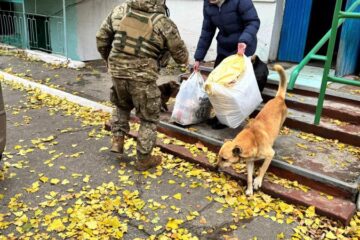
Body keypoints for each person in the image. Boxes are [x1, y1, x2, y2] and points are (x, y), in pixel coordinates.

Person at [96, 0, 188, 171]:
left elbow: (101, 38)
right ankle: (144, 159)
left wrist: (109, 59)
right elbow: (180, 55)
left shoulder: (120, 10)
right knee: (148, 117)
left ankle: (118, 141)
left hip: (117, 71)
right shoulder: (163, 22)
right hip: (143, 76)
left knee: (121, 105)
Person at [193, 0, 260, 129]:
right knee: (217, 82)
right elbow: (207, 31)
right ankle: (221, 116)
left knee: (231, 84)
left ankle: (229, 117)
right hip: (224, 46)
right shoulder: (208, 4)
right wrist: (198, 58)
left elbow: (253, 22)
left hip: (243, 45)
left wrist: (244, 40)